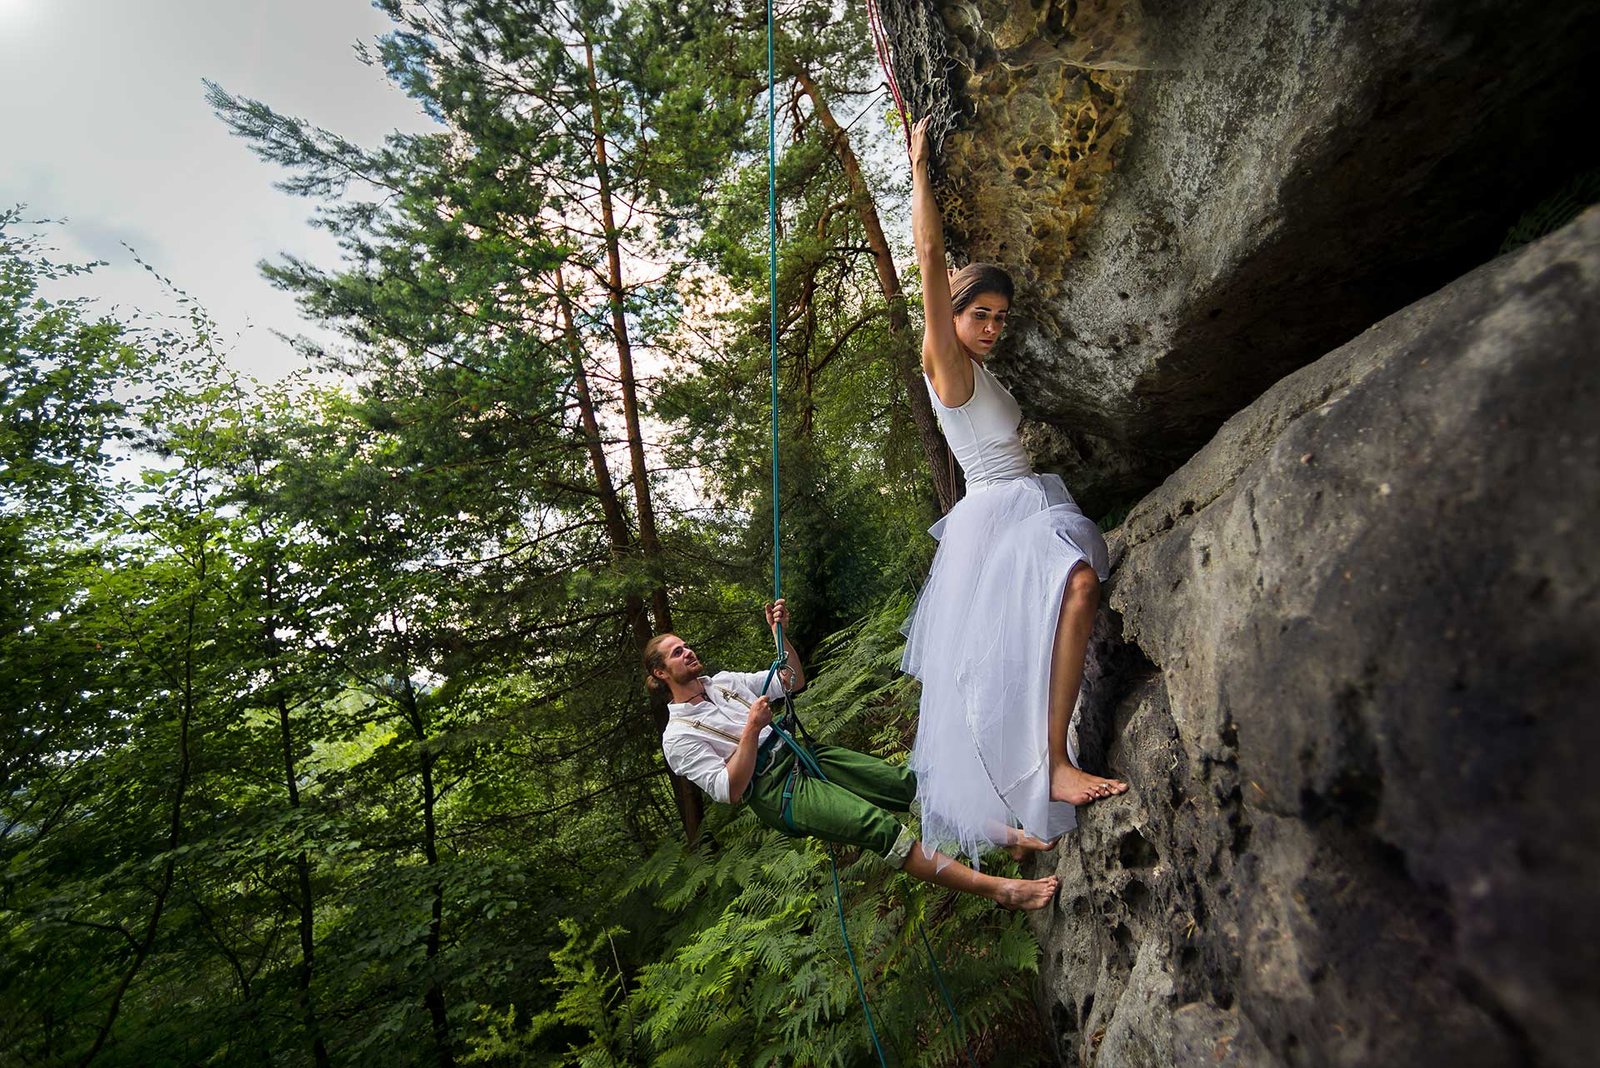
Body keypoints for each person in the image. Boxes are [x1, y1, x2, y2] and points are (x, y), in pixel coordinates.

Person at [901, 115, 1128, 863]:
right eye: (980, 315)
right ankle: (1051, 767)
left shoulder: (977, 368)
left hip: (1020, 503)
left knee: (1036, 633)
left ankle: (1034, 777)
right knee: (1077, 589)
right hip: (999, 511)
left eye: (1000, 318)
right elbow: (928, 258)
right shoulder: (947, 362)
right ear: (952, 314)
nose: (993, 328)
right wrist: (920, 171)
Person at [648, 599, 1062, 910]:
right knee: (880, 828)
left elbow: (791, 680)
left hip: (804, 754)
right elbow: (730, 789)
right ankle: (1002, 890)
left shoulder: (723, 682)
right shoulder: (678, 736)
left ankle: (1011, 839)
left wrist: (780, 635)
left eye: (686, 646)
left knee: (906, 785)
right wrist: (753, 730)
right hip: (780, 792)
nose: (688, 652)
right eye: (676, 653)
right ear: (661, 674)